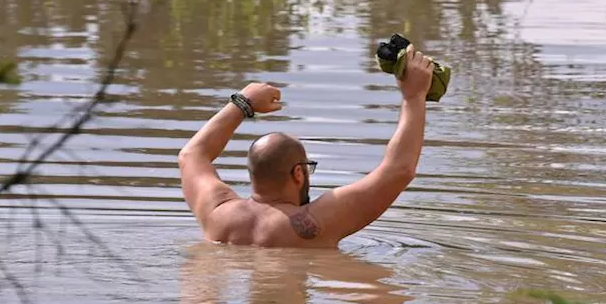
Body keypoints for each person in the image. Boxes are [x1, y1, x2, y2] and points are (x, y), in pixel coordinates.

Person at [177, 47, 435, 248]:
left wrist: (242, 103)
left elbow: (192, 155)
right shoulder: (318, 222)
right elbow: (398, 169)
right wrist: (414, 96)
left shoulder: (216, 213)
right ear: (298, 173)